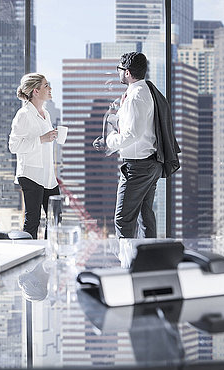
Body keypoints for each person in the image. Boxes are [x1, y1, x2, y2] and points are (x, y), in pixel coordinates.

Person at [93, 52, 163, 238]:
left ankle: (127, 263)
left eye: (119, 69)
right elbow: (137, 124)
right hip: (148, 163)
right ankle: (148, 261)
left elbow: (133, 133)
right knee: (144, 215)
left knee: (123, 219)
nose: (118, 73)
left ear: (128, 73)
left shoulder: (136, 97)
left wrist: (109, 141)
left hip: (138, 166)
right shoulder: (142, 91)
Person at [9, 73, 60, 239]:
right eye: (46, 85)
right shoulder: (23, 115)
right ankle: (28, 261)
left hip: (48, 175)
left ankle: (49, 253)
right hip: (31, 174)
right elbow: (13, 146)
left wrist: (52, 137)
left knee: (56, 218)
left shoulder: (46, 113)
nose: (50, 88)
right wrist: (42, 139)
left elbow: (44, 143)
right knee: (33, 220)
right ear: (36, 91)